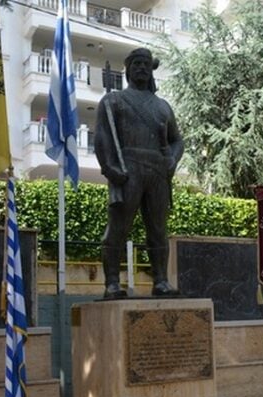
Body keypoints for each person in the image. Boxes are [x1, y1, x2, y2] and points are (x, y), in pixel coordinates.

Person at [94, 48, 184, 299]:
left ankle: (161, 281)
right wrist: (109, 168)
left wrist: (172, 160)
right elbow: (102, 138)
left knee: (158, 228)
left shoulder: (163, 107)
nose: (142, 68)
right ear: (128, 69)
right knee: (118, 228)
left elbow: (177, 141)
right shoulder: (114, 102)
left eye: (146, 64)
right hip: (128, 168)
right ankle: (112, 282)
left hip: (157, 171)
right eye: (137, 64)